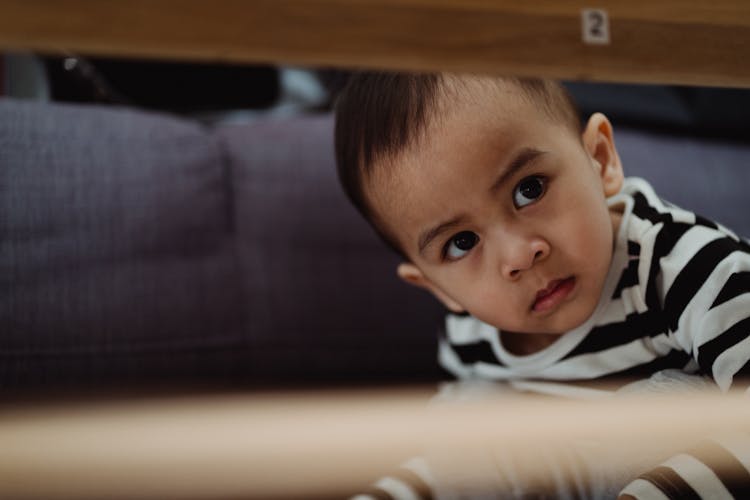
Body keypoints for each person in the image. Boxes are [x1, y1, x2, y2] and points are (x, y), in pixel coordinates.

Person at [334, 72, 750, 499]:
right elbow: (447, 468)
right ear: (437, 288)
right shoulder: (473, 333)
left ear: (601, 159)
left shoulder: (684, 265)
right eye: (462, 243)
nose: (518, 256)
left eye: (528, 190)